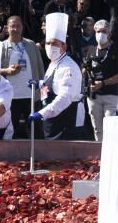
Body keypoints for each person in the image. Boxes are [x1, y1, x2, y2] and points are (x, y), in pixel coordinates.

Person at [29, 12, 84, 140]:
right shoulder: (54, 62)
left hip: (65, 121)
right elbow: (55, 85)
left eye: (54, 44)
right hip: (52, 121)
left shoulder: (68, 67)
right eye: (48, 43)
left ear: (64, 46)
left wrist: (42, 114)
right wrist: (40, 83)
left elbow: (65, 97)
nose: (50, 47)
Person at [1, 16, 45, 140]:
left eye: (18, 26)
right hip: (10, 96)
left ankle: (38, 156)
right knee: (11, 130)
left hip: (31, 96)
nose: (15, 29)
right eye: (12, 26)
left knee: (35, 130)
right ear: (7, 29)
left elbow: (40, 67)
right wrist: (7, 71)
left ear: (22, 27)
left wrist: (42, 88)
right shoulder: (2, 47)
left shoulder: (31, 45)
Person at [84, 19, 118, 141]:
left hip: (111, 95)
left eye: (104, 31)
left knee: (110, 127)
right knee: (97, 128)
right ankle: (99, 153)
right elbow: (85, 69)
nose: (101, 34)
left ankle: (111, 152)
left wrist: (103, 83)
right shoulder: (91, 51)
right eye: (98, 31)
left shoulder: (117, 52)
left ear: (109, 33)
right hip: (93, 96)